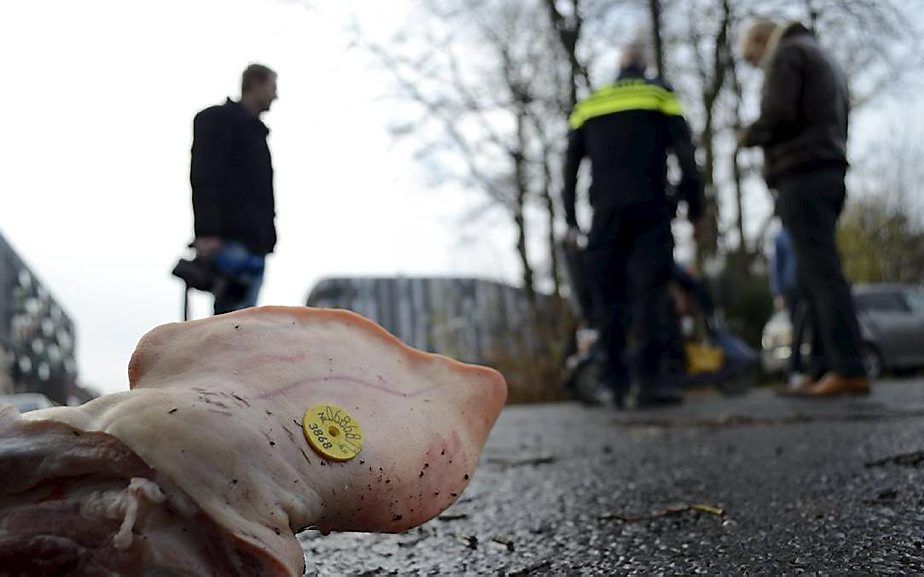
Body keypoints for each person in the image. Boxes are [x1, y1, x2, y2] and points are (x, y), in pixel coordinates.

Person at [562, 43, 704, 408]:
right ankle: (648, 383)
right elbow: (686, 153)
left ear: (619, 66)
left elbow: (569, 166)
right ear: (644, 66)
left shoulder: (590, 103)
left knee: (608, 298)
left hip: (605, 214)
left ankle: (613, 384)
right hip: (650, 208)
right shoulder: (659, 94)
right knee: (649, 294)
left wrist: (570, 217)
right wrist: (694, 203)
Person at [739, 21, 869, 396]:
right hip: (826, 170)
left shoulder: (788, 53)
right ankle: (822, 368)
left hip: (804, 173)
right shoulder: (820, 56)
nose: (757, 68)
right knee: (811, 276)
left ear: (764, 41)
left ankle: (847, 366)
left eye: (753, 59)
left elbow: (780, 112)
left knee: (820, 272)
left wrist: (751, 134)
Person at [190, 64, 278, 314]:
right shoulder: (217, 122)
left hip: (254, 244)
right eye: (272, 87)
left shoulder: (256, 134)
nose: (276, 95)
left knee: (242, 327)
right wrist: (207, 231)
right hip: (230, 242)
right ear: (256, 83)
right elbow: (205, 176)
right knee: (231, 330)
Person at [769, 226, 808, 387]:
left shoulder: (806, 232)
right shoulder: (781, 237)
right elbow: (776, 267)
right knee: (797, 329)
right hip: (792, 288)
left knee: (811, 329)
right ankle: (794, 370)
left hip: (809, 285)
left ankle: (814, 369)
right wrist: (777, 293)